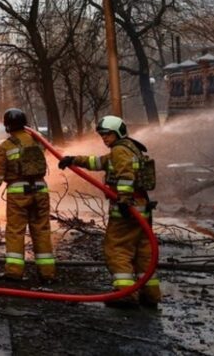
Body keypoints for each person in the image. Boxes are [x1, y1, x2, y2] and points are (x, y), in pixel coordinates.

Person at [58, 116, 161, 308]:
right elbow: (97, 162)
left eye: (108, 134)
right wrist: (73, 160)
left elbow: (125, 176)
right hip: (141, 208)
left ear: (118, 133)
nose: (104, 138)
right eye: (102, 135)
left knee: (117, 249)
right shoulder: (130, 149)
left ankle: (125, 295)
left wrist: (123, 198)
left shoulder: (120, 151)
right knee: (143, 252)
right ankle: (151, 295)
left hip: (127, 209)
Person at [0, 108, 56, 283]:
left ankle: (14, 272)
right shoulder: (37, 141)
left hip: (19, 195)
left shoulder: (7, 146)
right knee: (41, 231)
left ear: (7, 126)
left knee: (16, 232)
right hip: (41, 191)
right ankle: (47, 273)